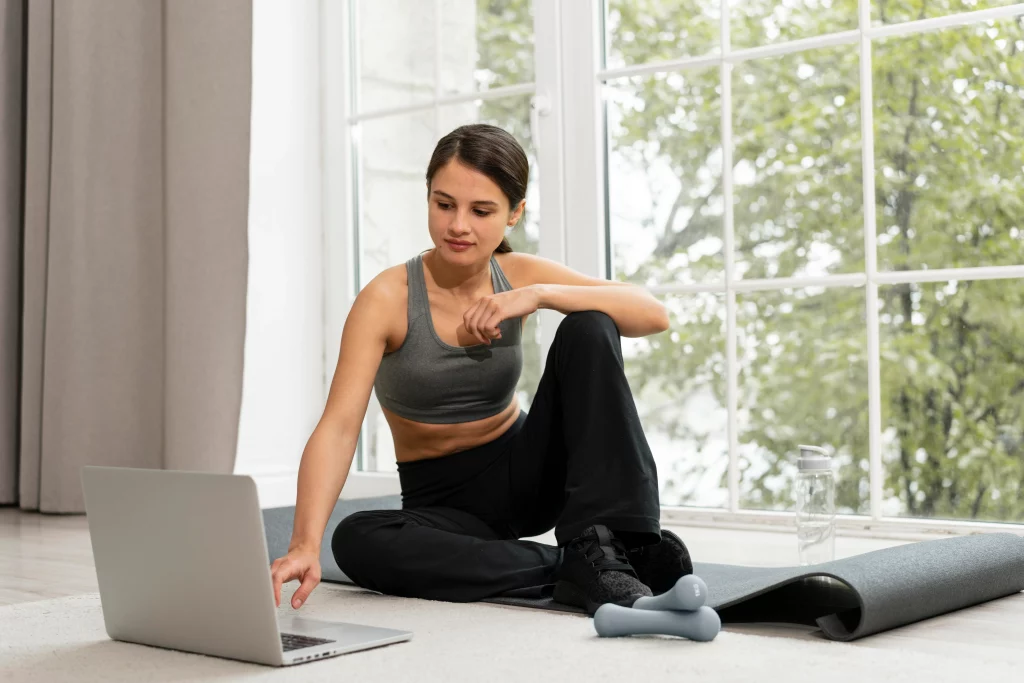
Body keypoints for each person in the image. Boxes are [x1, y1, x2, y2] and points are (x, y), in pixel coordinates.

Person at [270, 123, 693, 616]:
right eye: (443, 204)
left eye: (482, 210)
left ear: (514, 213)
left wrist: (539, 295)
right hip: (444, 505)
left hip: (528, 471)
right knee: (357, 539)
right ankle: (584, 565)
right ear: (427, 197)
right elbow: (340, 427)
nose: (458, 226)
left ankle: (621, 540)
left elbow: (652, 312)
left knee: (592, 324)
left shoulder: (517, 275)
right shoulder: (387, 299)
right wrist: (304, 543)